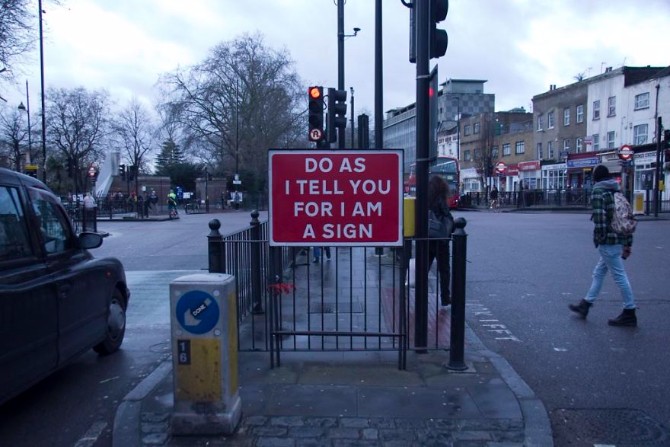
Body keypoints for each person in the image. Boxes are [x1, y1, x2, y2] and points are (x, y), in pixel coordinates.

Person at [569, 164, 637, 327]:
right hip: (618, 238)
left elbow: (600, 218)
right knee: (599, 273)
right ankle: (585, 304)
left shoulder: (598, 191)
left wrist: (600, 239)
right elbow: (626, 217)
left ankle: (630, 311)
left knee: (619, 276)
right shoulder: (616, 190)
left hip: (608, 241)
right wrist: (627, 243)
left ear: (595, 178)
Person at [428, 175, 452, 306]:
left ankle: (420, 293)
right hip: (440, 239)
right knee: (444, 269)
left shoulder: (423, 197)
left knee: (424, 268)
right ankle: (445, 297)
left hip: (426, 237)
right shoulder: (440, 198)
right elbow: (446, 215)